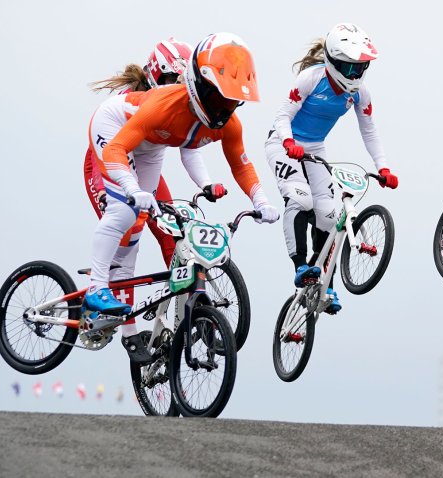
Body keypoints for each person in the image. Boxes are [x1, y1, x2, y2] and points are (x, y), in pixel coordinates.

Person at [84, 32, 279, 362]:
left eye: (232, 102)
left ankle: (131, 319)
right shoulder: (163, 105)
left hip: (151, 146)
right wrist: (131, 190)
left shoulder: (227, 123)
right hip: (114, 129)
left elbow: (241, 165)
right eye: (220, 100)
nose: (226, 110)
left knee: (142, 225)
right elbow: (117, 148)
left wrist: (260, 201)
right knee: (125, 215)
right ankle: (95, 290)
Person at [265, 23, 397, 314]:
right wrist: (288, 141)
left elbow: (369, 131)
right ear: (333, 62)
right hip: (283, 144)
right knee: (301, 199)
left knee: (331, 215)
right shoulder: (310, 79)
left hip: (314, 150)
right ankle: (300, 266)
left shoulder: (360, 93)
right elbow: (282, 115)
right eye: (350, 69)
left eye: (361, 69)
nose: (355, 76)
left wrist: (383, 168)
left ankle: (323, 281)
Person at [84, 38, 191, 315]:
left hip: (142, 161)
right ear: (156, 76)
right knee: (128, 224)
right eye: (171, 80)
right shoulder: (137, 102)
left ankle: (186, 313)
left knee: (173, 232)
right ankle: (124, 325)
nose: (177, 89)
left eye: (182, 82)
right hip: (107, 158)